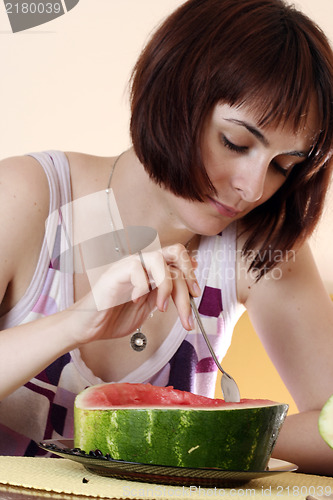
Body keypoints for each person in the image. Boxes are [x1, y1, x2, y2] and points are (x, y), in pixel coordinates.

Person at [0, 0, 333, 475]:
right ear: (174, 94)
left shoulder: (257, 244)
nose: (254, 187)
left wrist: (206, 425)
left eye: (284, 165)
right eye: (236, 143)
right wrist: (76, 323)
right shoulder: (26, 196)